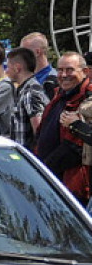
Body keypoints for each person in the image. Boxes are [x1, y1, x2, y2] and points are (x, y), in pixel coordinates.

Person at [37, 51, 91, 201]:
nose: (64, 74)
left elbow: (75, 148)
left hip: (71, 185)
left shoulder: (88, 101)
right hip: (49, 180)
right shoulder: (59, 95)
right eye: (60, 70)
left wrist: (42, 170)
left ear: (85, 72)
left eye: (70, 69)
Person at [6, 46, 46, 151]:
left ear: (17, 68)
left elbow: (39, 130)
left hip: (27, 156)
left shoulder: (30, 91)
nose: (6, 71)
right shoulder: (23, 89)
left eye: (8, 67)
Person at [20, 31, 59, 101]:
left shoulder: (53, 81)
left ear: (37, 52)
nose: (20, 56)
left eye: (24, 52)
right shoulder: (26, 79)